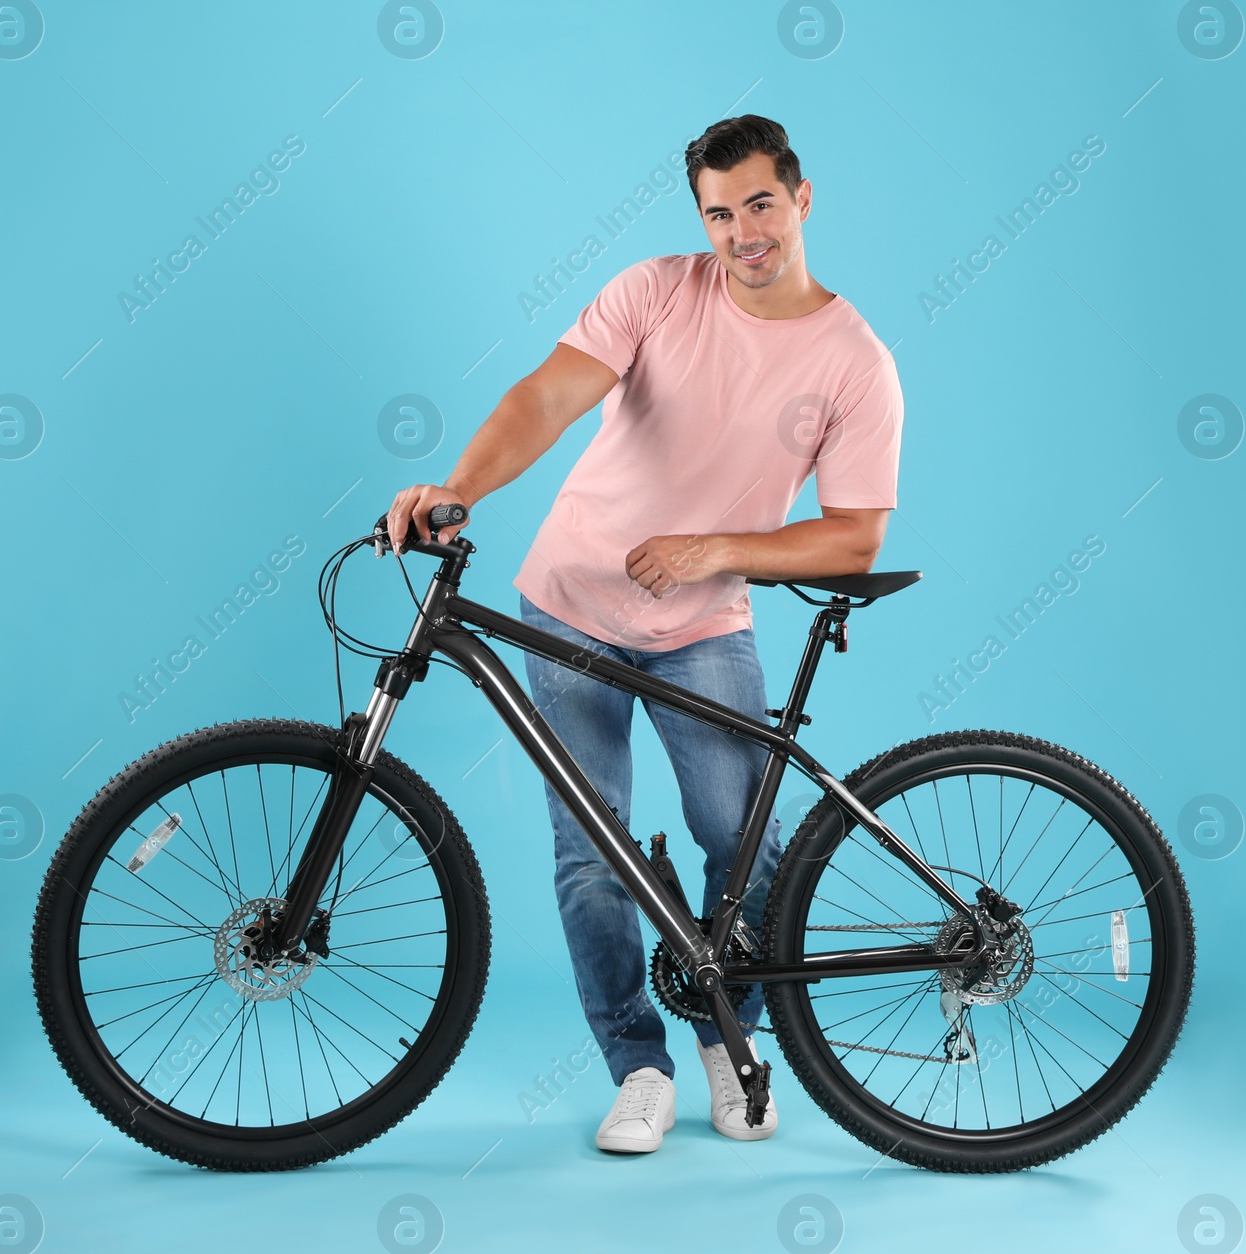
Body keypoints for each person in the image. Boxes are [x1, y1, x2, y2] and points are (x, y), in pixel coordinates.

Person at [387, 114, 904, 1153]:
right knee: (590, 855)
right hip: (567, 602)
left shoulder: (856, 362)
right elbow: (545, 398)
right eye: (719, 212)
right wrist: (459, 487)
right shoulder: (657, 290)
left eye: (759, 203)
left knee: (740, 845)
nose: (740, 232)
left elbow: (854, 537)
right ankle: (637, 1065)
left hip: (704, 621)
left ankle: (729, 1040)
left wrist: (717, 549)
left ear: (802, 199)